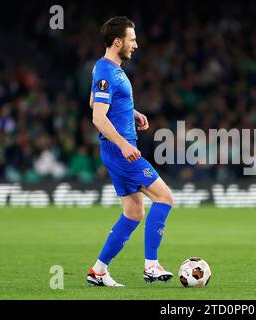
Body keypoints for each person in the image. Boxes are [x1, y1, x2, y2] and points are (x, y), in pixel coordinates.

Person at [87, 17, 174, 287]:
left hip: (117, 150)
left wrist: (131, 112)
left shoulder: (107, 69)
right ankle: (151, 266)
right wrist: (125, 145)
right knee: (164, 197)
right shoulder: (106, 71)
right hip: (121, 151)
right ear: (118, 42)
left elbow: (94, 101)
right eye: (132, 39)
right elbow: (98, 118)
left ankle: (98, 271)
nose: (135, 44)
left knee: (135, 211)